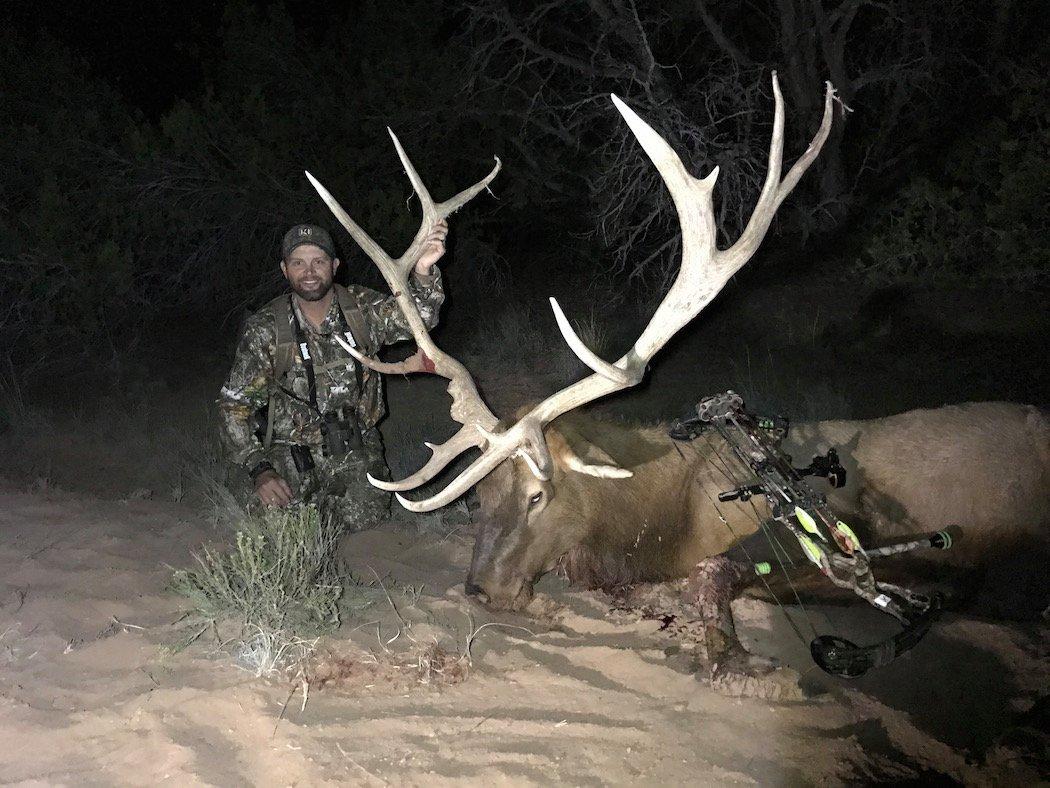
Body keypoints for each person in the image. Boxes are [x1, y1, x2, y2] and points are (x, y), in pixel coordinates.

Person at [218, 220, 448, 531]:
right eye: (298, 263)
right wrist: (259, 468)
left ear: (335, 266)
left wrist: (423, 269)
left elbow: (419, 320)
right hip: (291, 452)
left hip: (356, 448)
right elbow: (234, 407)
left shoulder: (362, 309)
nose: (309, 271)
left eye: (319, 261)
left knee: (367, 522)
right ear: (285, 270)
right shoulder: (265, 329)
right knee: (273, 526)